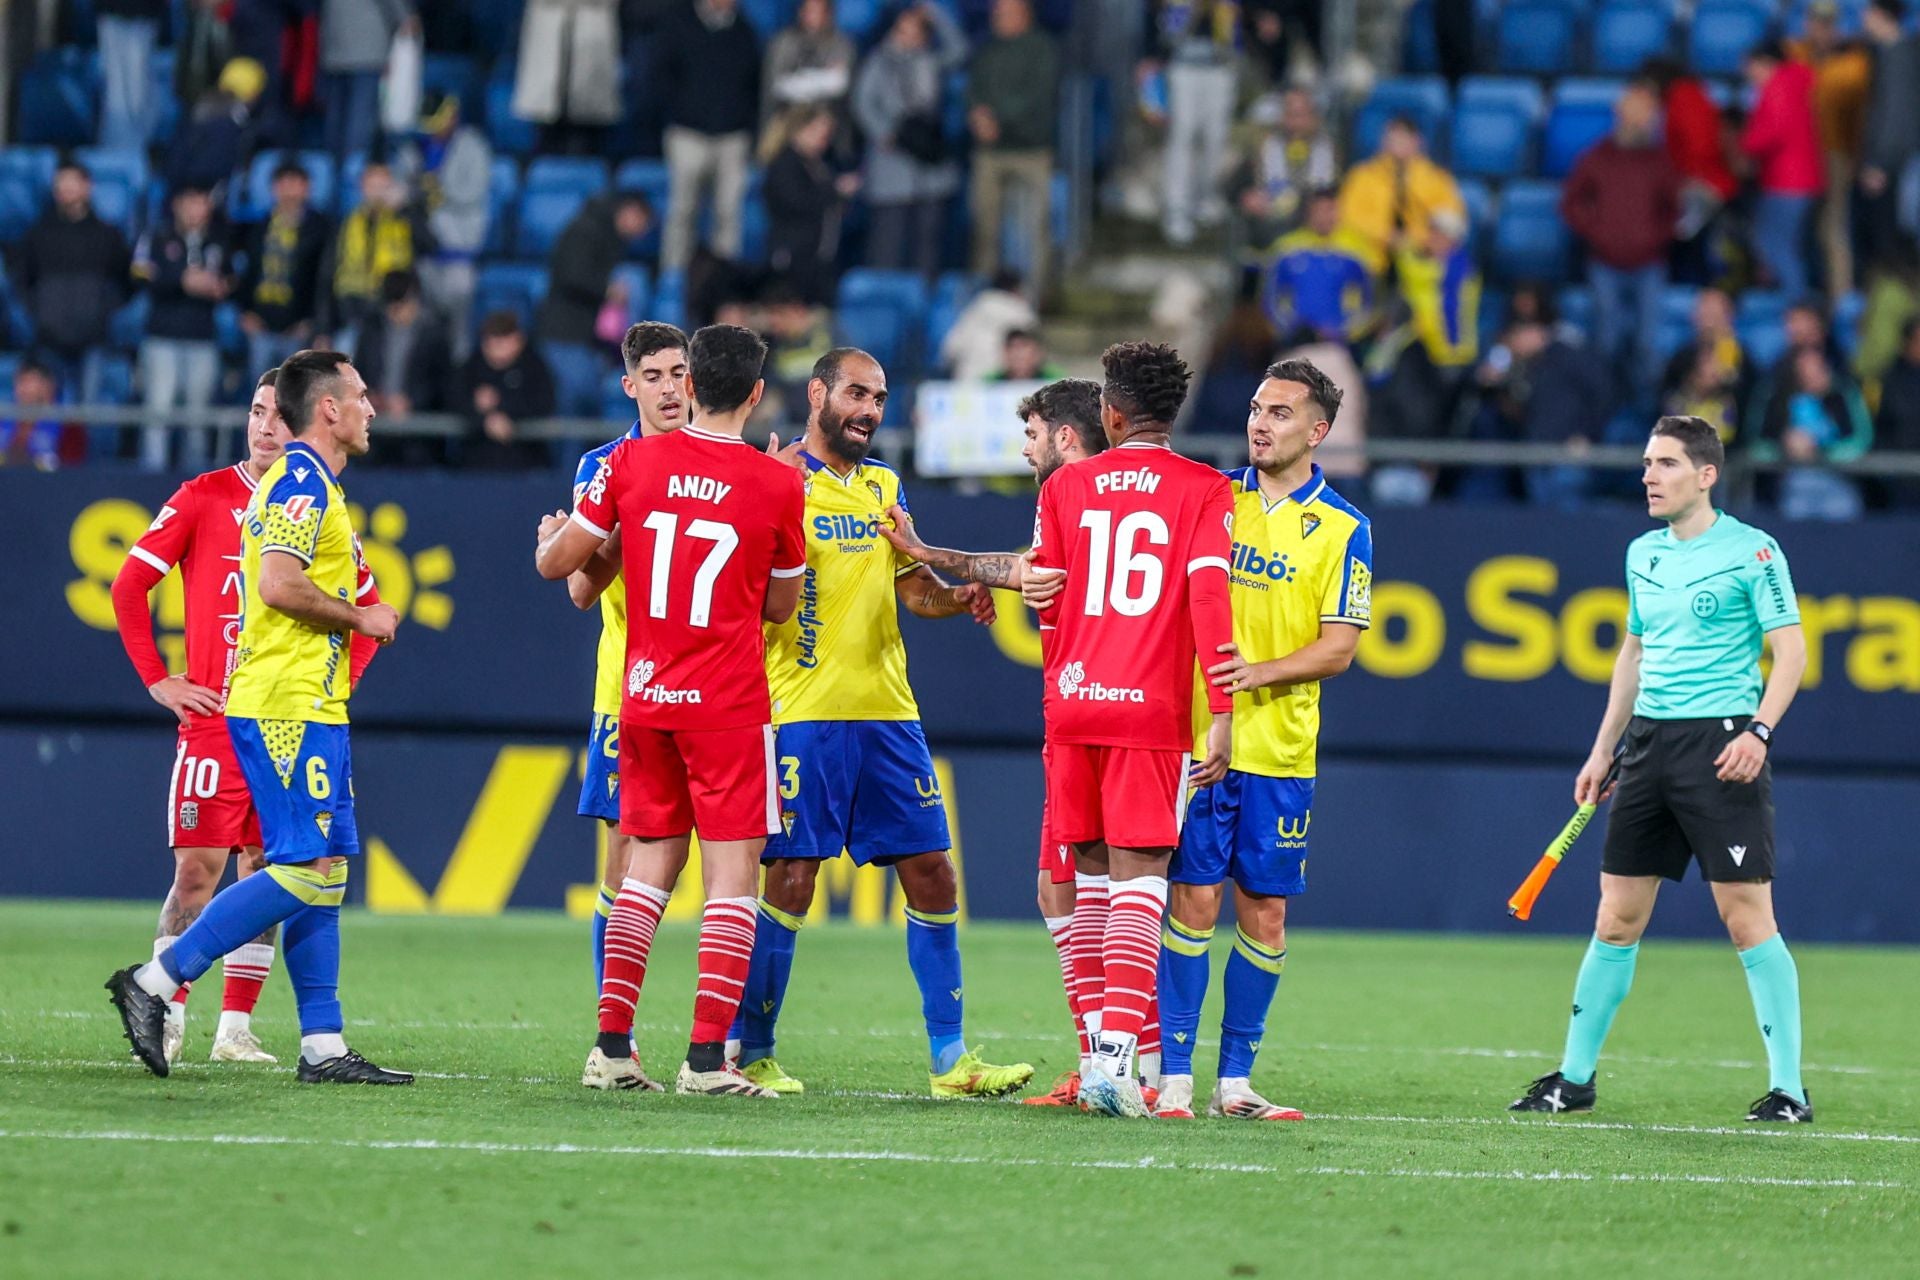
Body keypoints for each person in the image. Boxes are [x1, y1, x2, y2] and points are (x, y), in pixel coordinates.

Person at [726, 346, 1032, 1099]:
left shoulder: (884, 486)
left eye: (880, 398)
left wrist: (956, 597)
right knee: (792, 877)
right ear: (818, 392)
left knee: (933, 874)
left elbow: (912, 588)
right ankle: (751, 1051)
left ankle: (950, 1061)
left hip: (889, 714)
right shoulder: (778, 481)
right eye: (857, 394)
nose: (869, 410)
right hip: (802, 711)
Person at [107, 349, 412, 1087]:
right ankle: (156, 981)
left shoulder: (315, 486)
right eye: (362, 395)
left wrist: (352, 639)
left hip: (314, 705)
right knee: (296, 869)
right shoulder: (301, 481)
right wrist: (358, 618)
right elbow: (276, 585)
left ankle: (322, 1044)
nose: (374, 407)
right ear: (330, 409)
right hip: (282, 705)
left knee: (325, 872)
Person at [1511, 415, 1811, 1124]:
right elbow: (1634, 656)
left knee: (1746, 921)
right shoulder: (1642, 553)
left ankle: (1790, 1091)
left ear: (1706, 475)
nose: (1649, 475)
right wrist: (1602, 748)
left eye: (1667, 464)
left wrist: (1760, 733)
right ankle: (1574, 1079)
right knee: (1616, 918)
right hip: (1647, 748)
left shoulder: (1754, 551)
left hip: (1723, 745)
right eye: (1648, 463)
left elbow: (1791, 652)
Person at [535, 323, 808, 1098]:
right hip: (726, 703)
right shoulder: (776, 482)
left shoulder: (628, 461)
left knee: (645, 871)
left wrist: (550, 538)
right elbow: (784, 608)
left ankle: (614, 1049)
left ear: (690, 386)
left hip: (644, 698)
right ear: (756, 393)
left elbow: (562, 569)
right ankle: (702, 1063)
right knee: (731, 881)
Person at [1107, 359, 1368, 1121]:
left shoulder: (1345, 527)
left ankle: (1237, 1082)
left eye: (1281, 413)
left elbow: (1340, 647)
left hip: (1281, 753)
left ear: (1317, 432)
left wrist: (1257, 674)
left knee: (1265, 913)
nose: (1261, 422)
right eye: (1257, 408)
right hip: (1196, 743)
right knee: (1189, 902)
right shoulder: (1208, 497)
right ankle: (1177, 1078)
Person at [877, 378, 1121, 1107]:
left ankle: (1124, 1063)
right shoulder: (1123, 497)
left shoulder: (1070, 495)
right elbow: (1038, 577)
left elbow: (1031, 574)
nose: (1025, 448)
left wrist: (926, 551)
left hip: (1095, 717)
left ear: (1067, 437)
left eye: (1033, 434)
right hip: (1104, 716)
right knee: (1067, 889)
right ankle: (1106, 1060)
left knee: (1108, 892)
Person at [1020, 341, 1235, 1117]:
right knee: (1142, 884)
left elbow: (1042, 599)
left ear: (1110, 414)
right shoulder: (1207, 490)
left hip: (1074, 701)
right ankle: (1117, 1063)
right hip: (1150, 711)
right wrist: (1224, 713)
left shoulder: (1068, 485)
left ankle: (1098, 1061)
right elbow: (1210, 601)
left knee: (1092, 884)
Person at [555, 322, 690, 1071]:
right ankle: (616, 1035)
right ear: (629, 385)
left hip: (720, 695)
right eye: (656, 375)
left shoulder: (721, 460)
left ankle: (737, 1044)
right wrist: (597, 535)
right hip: (631, 694)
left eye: (681, 373)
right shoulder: (605, 467)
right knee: (624, 865)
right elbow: (579, 587)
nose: (671, 388)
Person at [1561, 79, 1681, 395]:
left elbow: (1675, 207)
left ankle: (1647, 412)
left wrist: (1657, 236)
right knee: (1607, 339)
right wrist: (1596, 232)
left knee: (1647, 343)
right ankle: (1603, 405)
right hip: (1605, 263)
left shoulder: (1659, 161)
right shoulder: (1597, 157)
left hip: (1649, 264)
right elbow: (1571, 203)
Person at [853, 3, 969, 278]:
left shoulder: (930, 60)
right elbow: (862, 102)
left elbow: (960, 50)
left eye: (915, 30)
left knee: (927, 248)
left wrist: (934, 14)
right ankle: (886, 308)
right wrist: (885, 133)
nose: (908, 36)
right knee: (888, 248)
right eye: (903, 29)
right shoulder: (878, 61)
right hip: (892, 169)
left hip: (930, 170)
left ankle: (922, 302)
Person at [656, 0, 762, 270]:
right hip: (686, 133)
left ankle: (720, 282)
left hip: (732, 138)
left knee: (728, 214)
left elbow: (754, 87)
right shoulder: (678, 23)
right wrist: (679, 113)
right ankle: (675, 276)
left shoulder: (745, 32)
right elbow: (661, 77)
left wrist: (744, 123)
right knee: (682, 211)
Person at [15, 161, 131, 407]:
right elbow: (21, 280)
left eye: (71, 181)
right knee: (47, 416)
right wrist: (39, 312)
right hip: (48, 341)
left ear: (87, 186)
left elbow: (128, 280)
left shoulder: (107, 236)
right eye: (60, 182)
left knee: (86, 416)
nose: (65, 188)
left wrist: (104, 311)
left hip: (93, 341)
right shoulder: (38, 234)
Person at [133, 185, 230, 471]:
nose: (195, 209)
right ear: (176, 205)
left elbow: (231, 281)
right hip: (161, 337)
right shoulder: (158, 237)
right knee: (157, 414)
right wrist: (183, 280)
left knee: (197, 418)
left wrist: (216, 286)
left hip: (202, 338)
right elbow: (140, 274)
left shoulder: (218, 241)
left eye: (200, 202)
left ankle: (196, 481)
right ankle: (151, 476)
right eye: (189, 202)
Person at [391, 91, 493, 359]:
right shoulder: (415, 148)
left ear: (452, 115)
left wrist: (438, 190)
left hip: (458, 256)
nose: (433, 131)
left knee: (459, 334)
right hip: (423, 255)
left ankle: (455, 389)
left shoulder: (473, 147)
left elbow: (474, 192)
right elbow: (400, 189)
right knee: (421, 330)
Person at [967, 0, 1059, 292]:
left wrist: (996, 120)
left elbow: (1038, 96)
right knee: (984, 228)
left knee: (1036, 229)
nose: (997, 16)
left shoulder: (1043, 49)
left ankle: (1034, 295)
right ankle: (986, 294)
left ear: (1024, 14)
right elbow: (973, 90)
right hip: (990, 153)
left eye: (1004, 11)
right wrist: (977, 116)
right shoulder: (986, 50)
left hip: (1032, 151)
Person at [537, 191, 654, 417]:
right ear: (631, 210)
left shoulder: (606, 235)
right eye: (643, 222)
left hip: (585, 338)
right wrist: (607, 290)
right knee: (571, 410)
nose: (642, 232)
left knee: (585, 409)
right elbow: (571, 274)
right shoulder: (586, 230)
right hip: (565, 335)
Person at [1789, 1, 1872, 296]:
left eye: (1827, 24)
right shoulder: (1797, 54)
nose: (1820, 29)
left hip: (1835, 153)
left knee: (1833, 228)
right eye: (1815, 22)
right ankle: (1801, 298)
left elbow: (1861, 115)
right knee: (1796, 229)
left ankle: (1841, 297)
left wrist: (1856, 158)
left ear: (1835, 26)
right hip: (1798, 154)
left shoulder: (1851, 62)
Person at [1151, 0, 1243, 246]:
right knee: (1183, 135)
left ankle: (1206, 197)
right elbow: (1168, 31)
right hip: (1184, 67)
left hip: (1220, 67)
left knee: (1216, 136)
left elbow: (1236, 30)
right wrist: (1193, 9)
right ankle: (1177, 208)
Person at [1741, 41, 1824, 302]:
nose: (1748, 74)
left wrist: (1744, 144)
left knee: (1776, 245)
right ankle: (1792, 302)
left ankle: (1795, 306)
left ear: (1765, 63)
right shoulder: (1800, 81)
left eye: (1750, 67)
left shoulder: (1778, 86)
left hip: (1787, 181)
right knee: (1783, 244)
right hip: (1801, 178)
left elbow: (1772, 131)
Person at [1335, 116, 1465, 275]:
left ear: (1417, 141)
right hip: (1372, 252)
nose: (1397, 145)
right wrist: (1387, 236)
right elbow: (1349, 216)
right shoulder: (1362, 176)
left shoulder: (1437, 179)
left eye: (1403, 140)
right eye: (1392, 140)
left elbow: (1451, 220)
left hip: (1420, 254)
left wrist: (1413, 239)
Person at [240, 160, 334, 377]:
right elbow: (249, 271)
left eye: (296, 184)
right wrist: (245, 311)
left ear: (307, 188)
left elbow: (323, 279)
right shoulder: (259, 227)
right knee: (262, 393)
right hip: (260, 323)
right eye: (284, 184)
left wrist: (312, 322)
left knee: (294, 396)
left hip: (299, 325)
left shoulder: (321, 230)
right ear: (274, 188)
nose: (290, 192)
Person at [1758, 346, 1873, 521]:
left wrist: (1820, 451)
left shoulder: (1842, 397)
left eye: (1817, 367)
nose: (1812, 374)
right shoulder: (1778, 400)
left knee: (1843, 509)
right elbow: (1758, 444)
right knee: (1794, 510)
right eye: (1805, 368)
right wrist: (1784, 446)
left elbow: (1861, 440)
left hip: (1837, 479)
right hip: (1793, 483)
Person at [355, 269, 455, 466]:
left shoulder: (435, 334)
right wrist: (370, 396)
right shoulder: (372, 330)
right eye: (390, 305)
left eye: (401, 304)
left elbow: (442, 382)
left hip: (420, 433)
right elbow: (358, 372)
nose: (395, 311)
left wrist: (412, 402)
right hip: (375, 428)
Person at [323, 162, 426, 346]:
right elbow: (329, 272)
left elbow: (429, 245)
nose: (377, 192)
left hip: (392, 309)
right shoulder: (347, 223)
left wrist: (404, 209)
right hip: (354, 309)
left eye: (383, 186)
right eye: (372, 186)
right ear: (362, 188)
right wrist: (323, 326)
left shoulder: (404, 218)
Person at [764, 106, 857, 307]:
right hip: (793, 257)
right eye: (818, 133)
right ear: (800, 130)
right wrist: (835, 191)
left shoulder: (819, 165)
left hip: (819, 257)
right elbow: (796, 202)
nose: (823, 140)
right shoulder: (784, 164)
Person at [1229, 88, 1339, 251]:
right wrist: (1247, 196)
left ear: (1313, 118)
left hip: (1315, 225)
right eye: (1290, 114)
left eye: (1301, 115)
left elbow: (1333, 189)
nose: (1295, 123)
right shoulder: (1263, 146)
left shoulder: (1330, 149)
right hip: (1270, 222)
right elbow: (1234, 187)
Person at [1262, 188, 1374, 346]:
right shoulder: (1287, 249)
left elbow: (1368, 299)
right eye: (1318, 211)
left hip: (1340, 343)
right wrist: (1290, 330)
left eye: (1330, 210)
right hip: (1297, 340)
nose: (1324, 217)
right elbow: (1271, 297)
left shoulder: (1356, 250)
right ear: (1308, 213)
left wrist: (1347, 332)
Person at [1859, 0, 1920, 276]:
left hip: (1897, 163)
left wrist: (1881, 163)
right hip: (1897, 160)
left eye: (1868, 12)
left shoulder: (1899, 55)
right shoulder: (1889, 53)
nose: (1863, 19)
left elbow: (1898, 114)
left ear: (1881, 15)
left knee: (1893, 243)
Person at [456, 310, 557, 471]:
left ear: (518, 340)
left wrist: (506, 412)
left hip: (526, 463)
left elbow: (544, 402)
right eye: (492, 344)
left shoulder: (534, 366)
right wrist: (481, 417)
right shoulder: (472, 367)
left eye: (503, 342)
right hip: (477, 465)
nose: (498, 351)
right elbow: (452, 399)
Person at [320, 0, 416, 169]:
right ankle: (351, 181)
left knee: (337, 122)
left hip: (333, 48)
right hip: (366, 50)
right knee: (359, 123)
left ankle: (337, 176)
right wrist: (405, 17)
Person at [164, 55, 269, 200]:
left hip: (182, 193)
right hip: (206, 195)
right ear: (253, 93)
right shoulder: (232, 123)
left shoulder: (197, 111)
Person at [1660, 287, 1752, 448]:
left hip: (1730, 450)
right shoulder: (1682, 356)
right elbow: (1664, 395)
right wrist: (1694, 384)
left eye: (1713, 312)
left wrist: (1722, 381)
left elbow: (1749, 401)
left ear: (1729, 316)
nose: (1707, 318)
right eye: (1703, 311)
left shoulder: (1742, 357)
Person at [761, 0, 856, 128]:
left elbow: (839, 83)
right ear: (801, 12)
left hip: (829, 129)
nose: (814, 16)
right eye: (809, 11)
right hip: (787, 125)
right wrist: (822, 78)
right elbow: (776, 85)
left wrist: (796, 81)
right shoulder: (783, 43)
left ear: (829, 14)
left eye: (819, 11)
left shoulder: (842, 44)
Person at [98, 1, 167, 150]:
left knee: (138, 89)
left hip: (143, 17)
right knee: (116, 90)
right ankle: (117, 148)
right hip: (112, 14)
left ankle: (137, 148)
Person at [0, 361, 84, 469]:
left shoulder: (69, 426)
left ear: (49, 386)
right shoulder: (3, 419)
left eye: (29, 382)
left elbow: (72, 470)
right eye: (20, 382)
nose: (22, 389)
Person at [988, 328, 1065, 382]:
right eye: (1013, 347)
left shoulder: (1053, 379)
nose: (1018, 353)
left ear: (1038, 353)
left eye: (1024, 347)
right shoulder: (991, 383)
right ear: (1005, 353)